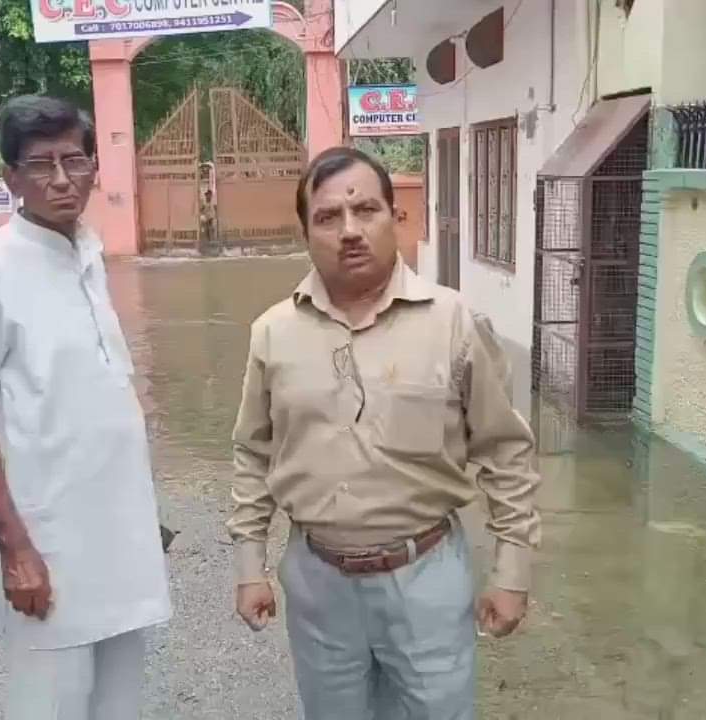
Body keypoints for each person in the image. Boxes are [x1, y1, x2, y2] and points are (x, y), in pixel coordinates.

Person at [227, 146, 541, 718]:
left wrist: (512, 570)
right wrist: (251, 566)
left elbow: (506, 452)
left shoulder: (454, 323)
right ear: (305, 233)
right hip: (318, 581)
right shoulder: (272, 334)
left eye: (366, 210)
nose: (350, 230)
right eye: (328, 217)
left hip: (426, 575)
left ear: (395, 218)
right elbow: (253, 452)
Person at [0, 95, 171, 720]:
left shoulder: (90, 254)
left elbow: (96, 397)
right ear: (11, 178)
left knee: (119, 706)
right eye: (41, 165)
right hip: (48, 548)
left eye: (75, 160)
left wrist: (139, 510)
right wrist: (15, 550)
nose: (62, 179)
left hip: (118, 541)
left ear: (96, 165)